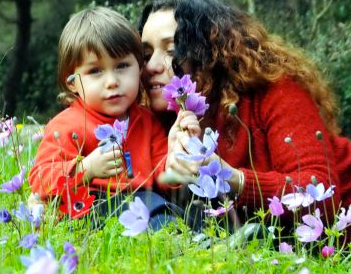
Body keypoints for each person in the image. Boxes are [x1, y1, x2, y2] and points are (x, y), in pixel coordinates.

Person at [138, 0, 351, 225]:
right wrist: (170, 171)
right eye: (145, 55)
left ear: (208, 51)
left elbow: (323, 194)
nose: (151, 66)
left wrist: (232, 178)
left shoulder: (276, 90)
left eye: (172, 50)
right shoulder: (156, 116)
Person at [28, 6, 198, 229]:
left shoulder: (146, 121)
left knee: (189, 210)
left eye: (122, 66)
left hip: (145, 204)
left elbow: (162, 177)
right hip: (90, 210)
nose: (112, 81)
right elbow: (41, 178)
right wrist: (86, 168)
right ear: (73, 82)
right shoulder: (66, 125)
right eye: (95, 71)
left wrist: (177, 156)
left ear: (139, 68)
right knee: (149, 205)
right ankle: (175, 233)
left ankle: (226, 236)